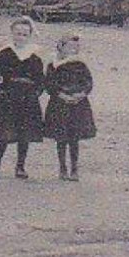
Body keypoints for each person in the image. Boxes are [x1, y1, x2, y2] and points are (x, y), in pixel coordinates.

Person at [0, 16, 46, 179]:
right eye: (18, 33)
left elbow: (40, 79)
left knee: (24, 134)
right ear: (12, 34)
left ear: (29, 36)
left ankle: (20, 166)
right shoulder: (3, 54)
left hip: (28, 99)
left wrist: (35, 93)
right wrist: (0, 90)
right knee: (3, 134)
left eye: (24, 34)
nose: (21, 37)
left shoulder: (34, 57)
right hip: (8, 97)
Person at [43, 34, 96, 182]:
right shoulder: (53, 65)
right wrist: (61, 95)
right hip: (59, 104)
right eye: (69, 47)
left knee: (74, 138)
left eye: (75, 48)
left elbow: (88, 82)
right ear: (61, 47)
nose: (73, 50)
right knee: (61, 137)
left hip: (78, 105)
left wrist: (80, 94)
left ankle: (74, 168)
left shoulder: (80, 65)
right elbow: (49, 84)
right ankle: (62, 168)